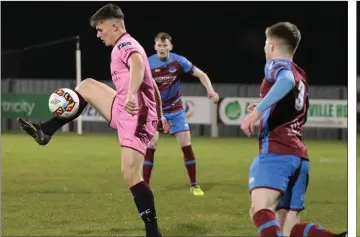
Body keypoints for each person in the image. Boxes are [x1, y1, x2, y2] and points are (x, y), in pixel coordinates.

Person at [16, 3, 169, 237]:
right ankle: (45, 131)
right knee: (86, 85)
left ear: (115, 26)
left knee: (130, 175)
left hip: (135, 115)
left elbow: (138, 65)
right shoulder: (125, 44)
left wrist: (131, 95)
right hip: (125, 106)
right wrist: (160, 115)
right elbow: (153, 86)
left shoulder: (126, 45)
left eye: (101, 29)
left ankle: (153, 232)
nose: (98, 34)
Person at [238, 22, 347, 237]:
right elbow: (298, 109)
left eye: (265, 43)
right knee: (288, 229)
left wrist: (258, 111)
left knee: (260, 210)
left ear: (271, 46)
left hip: (278, 151)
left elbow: (285, 80)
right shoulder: (301, 74)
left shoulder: (276, 65)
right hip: (300, 158)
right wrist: (266, 106)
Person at [143, 32, 220, 196]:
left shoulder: (179, 61)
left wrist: (211, 91)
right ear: (155, 47)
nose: (162, 48)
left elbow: (202, 74)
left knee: (186, 146)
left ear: (170, 46)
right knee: (151, 145)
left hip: (176, 110)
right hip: (156, 111)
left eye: (165, 45)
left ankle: (194, 184)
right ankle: (145, 187)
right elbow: (138, 83)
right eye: (159, 45)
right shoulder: (147, 63)